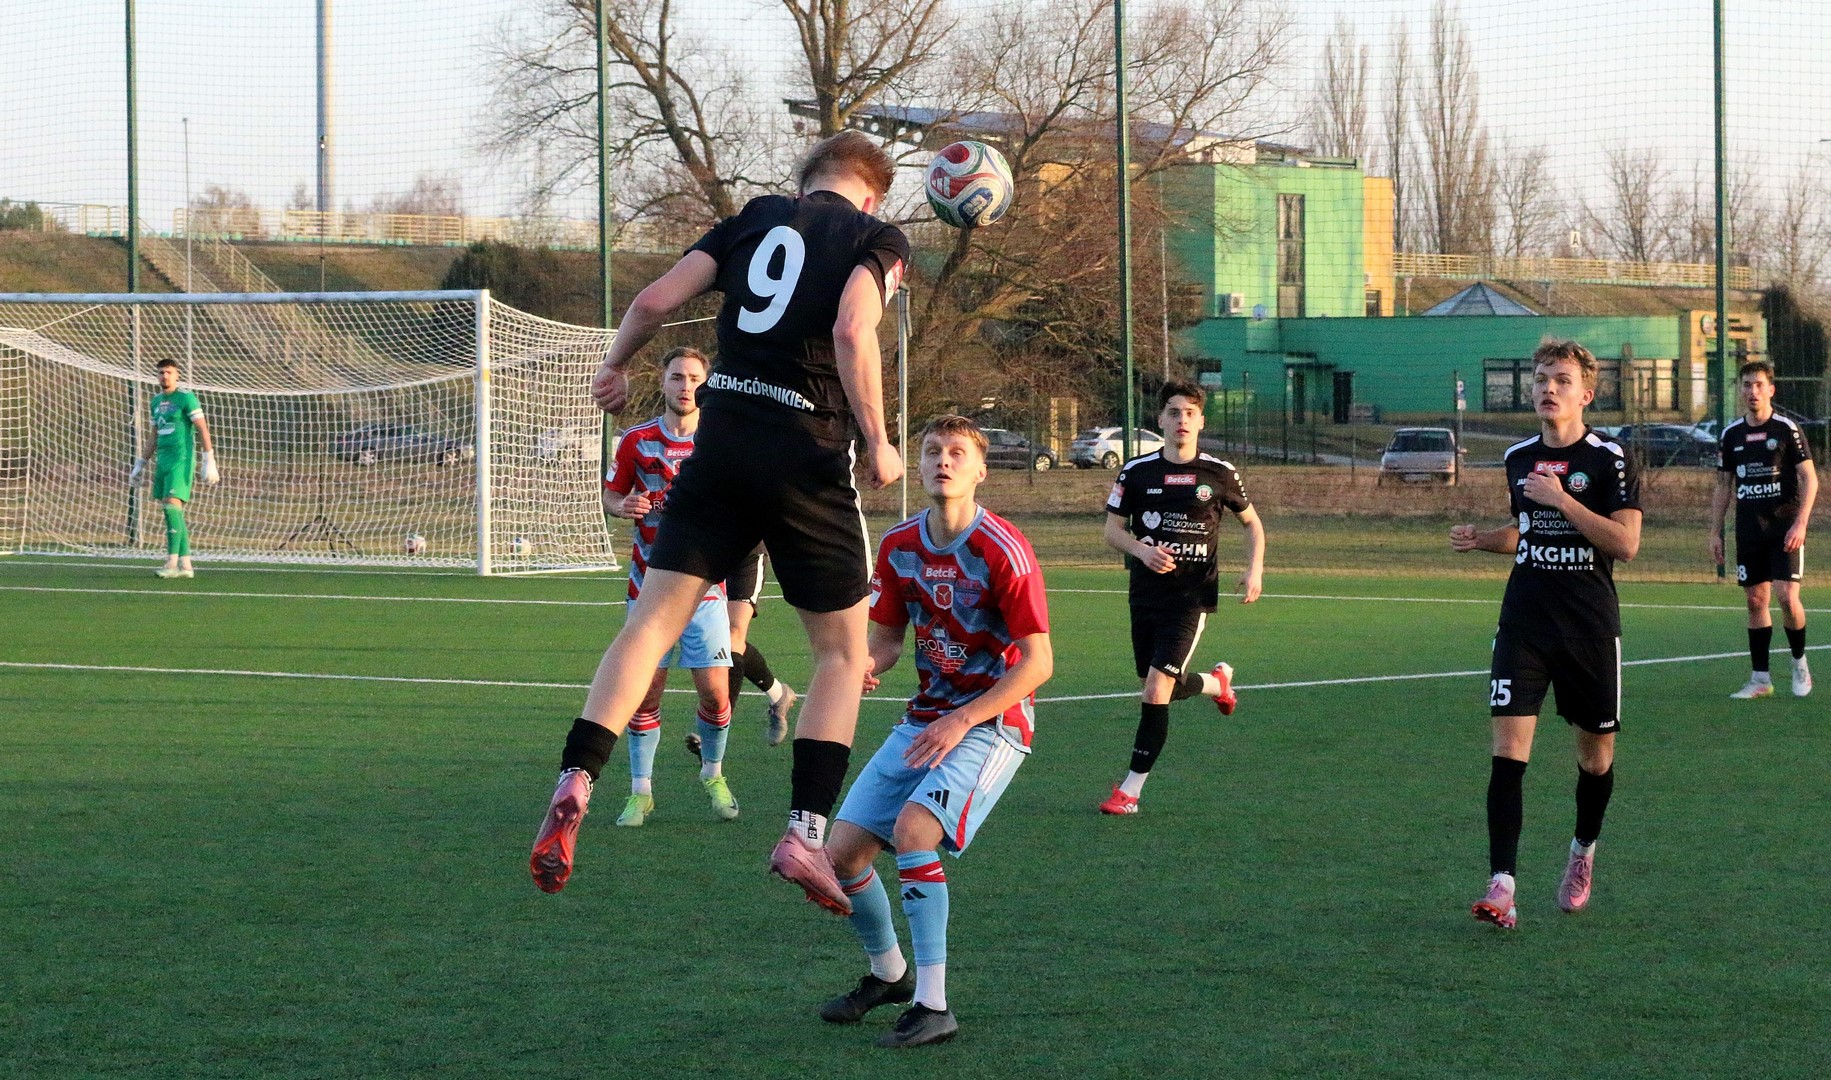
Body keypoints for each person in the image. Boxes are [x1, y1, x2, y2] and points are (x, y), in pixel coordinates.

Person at [530, 130, 908, 903]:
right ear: (872, 194)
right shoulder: (876, 237)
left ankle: (576, 777)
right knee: (841, 656)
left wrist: (615, 365)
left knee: (647, 627)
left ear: (805, 182)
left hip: (721, 446)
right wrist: (878, 438)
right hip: (804, 454)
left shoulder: (756, 217)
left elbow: (652, 301)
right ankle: (805, 834)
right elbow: (850, 329)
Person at [817, 415, 1052, 1048]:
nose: (942, 461)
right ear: (917, 466)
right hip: (928, 718)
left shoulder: (1003, 548)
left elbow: (1039, 663)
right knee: (842, 855)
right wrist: (863, 666)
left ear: (980, 471)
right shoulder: (899, 546)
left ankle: (933, 1005)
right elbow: (889, 640)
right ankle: (889, 974)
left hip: (992, 722)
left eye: (956, 453)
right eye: (931, 452)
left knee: (914, 830)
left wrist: (964, 718)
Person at [1450, 339, 1642, 929]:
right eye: (1540, 379)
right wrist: (1485, 539)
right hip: (1525, 623)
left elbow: (1625, 543)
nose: (1547, 388)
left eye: (1561, 379)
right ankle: (1502, 885)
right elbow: (1527, 529)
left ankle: (1583, 849)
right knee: (1508, 755)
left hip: (1588, 628)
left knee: (1595, 758)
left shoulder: (1610, 458)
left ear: (1586, 394)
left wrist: (1562, 500)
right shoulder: (1518, 457)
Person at [1096, 380, 1262, 815]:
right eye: (1174, 412)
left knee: (1155, 691)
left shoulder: (1219, 473)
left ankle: (1129, 792)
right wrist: (1141, 551)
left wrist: (1254, 569)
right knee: (1159, 687)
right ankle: (1217, 684)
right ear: (1161, 420)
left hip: (1191, 597)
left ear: (1201, 421)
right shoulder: (1136, 471)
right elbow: (1112, 530)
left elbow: (1252, 524)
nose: (1182, 420)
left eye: (1190, 413)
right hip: (1144, 595)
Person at [600, 347, 739, 826]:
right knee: (645, 693)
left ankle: (713, 774)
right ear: (662, 382)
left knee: (716, 694)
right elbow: (612, 494)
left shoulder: (719, 441)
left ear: (706, 384)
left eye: (694, 378)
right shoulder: (636, 441)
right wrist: (621, 506)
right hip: (648, 589)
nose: (686, 386)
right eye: (677, 377)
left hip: (706, 589)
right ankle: (641, 792)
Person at [1711, 360, 1816, 699]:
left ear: (1771, 390)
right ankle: (1760, 680)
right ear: (1740, 391)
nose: (1752, 391)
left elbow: (1810, 478)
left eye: (1758, 385)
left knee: (1786, 596)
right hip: (1749, 530)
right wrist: (1715, 532)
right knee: (1756, 600)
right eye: (1746, 385)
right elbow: (1723, 486)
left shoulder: (1786, 429)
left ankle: (1799, 662)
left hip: (1785, 528)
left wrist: (1801, 522)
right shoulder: (1731, 435)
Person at [131, 358, 220, 578]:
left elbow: (202, 428)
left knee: (171, 507)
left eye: (169, 372)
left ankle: (171, 563)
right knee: (173, 511)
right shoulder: (156, 401)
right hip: (163, 460)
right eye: (161, 372)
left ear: (177, 375)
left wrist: (209, 459)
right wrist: (140, 464)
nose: (165, 376)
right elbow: (154, 436)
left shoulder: (186, 398)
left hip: (181, 459)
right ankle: (186, 565)